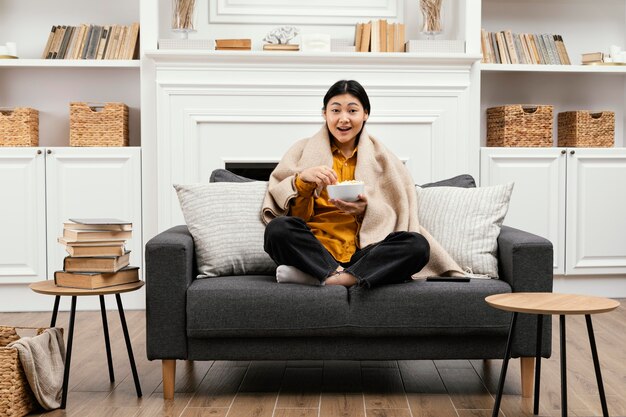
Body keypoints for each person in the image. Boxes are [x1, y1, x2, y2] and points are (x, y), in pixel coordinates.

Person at [261, 80, 462, 288]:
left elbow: (394, 213)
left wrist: (365, 210)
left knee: (417, 245)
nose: (343, 119)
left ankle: (330, 279)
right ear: (324, 114)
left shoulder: (382, 158)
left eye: (352, 111)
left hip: (363, 253)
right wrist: (302, 181)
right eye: (335, 110)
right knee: (277, 230)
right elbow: (294, 216)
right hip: (316, 249)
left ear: (365, 114)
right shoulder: (301, 151)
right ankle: (348, 276)